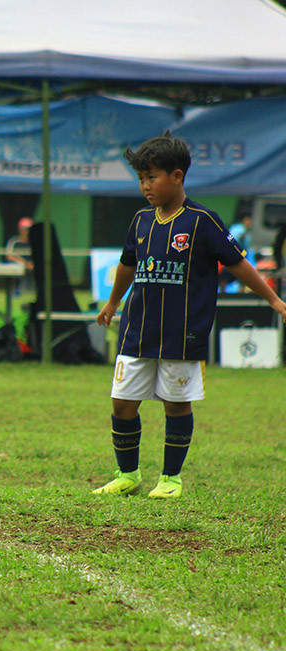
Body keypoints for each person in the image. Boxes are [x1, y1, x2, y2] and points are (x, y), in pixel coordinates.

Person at [94, 132, 286, 500]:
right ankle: (127, 474)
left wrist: (274, 301)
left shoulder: (202, 221)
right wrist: (112, 303)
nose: (145, 186)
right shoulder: (139, 221)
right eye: (141, 178)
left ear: (177, 176)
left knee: (176, 404)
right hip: (137, 330)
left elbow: (238, 264)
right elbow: (126, 265)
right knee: (121, 403)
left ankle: (170, 479)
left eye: (152, 177)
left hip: (182, 334)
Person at [5, 217, 34, 294]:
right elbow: (9, 256)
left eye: (28, 229)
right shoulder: (14, 241)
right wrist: (24, 263)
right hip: (18, 266)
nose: (26, 231)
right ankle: (17, 290)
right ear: (20, 230)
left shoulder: (35, 243)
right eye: (25, 229)